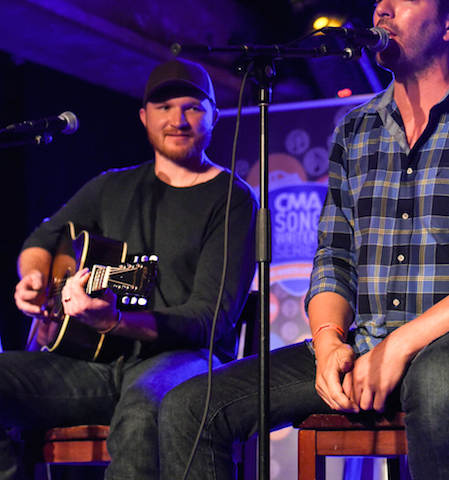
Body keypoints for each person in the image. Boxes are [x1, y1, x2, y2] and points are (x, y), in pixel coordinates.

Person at [157, 0, 449, 480]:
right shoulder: (357, 128)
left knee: (440, 379)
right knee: (191, 407)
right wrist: (327, 346)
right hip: (370, 341)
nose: (382, 10)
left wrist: (402, 344)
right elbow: (333, 258)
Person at [0, 58, 258, 479]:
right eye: (164, 107)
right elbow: (42, 239)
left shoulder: (232, 199)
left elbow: (208, 320)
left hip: (185, 361)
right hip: (97, 366)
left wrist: (114, 321)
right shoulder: (112, 187)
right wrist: (34, 276)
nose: (178, 119)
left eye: (192, 106)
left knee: (141, 409)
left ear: (214, 115)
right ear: (143, 117)